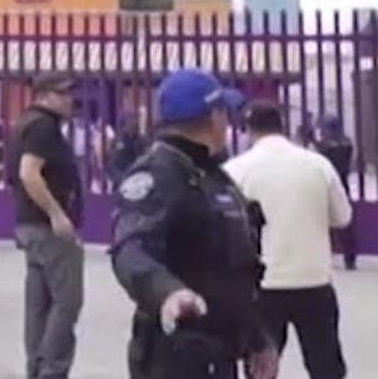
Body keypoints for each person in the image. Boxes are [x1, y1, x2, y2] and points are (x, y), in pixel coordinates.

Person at [110, 69, 278, 379]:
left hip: (220, 351)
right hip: (176, 353)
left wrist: (256, 338)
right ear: (214, 117)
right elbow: (130, 247)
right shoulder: (157, 175)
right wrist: (168, 292)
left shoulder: (213, 175)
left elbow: (234, 269)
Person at [225, 100, 350, 379]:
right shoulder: (318, 165)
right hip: (314, 279)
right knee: (325, 365)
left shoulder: (236, 169)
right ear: (283, 126)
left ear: (248, 130)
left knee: (262, 367)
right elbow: (342, 217)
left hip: (264, 284)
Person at [7, 75, 84, 379]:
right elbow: (29, 173)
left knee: (39, 303)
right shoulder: (43, 127)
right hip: (46, 227)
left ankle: (36, 367)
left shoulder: (28, 122)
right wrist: (57, 213)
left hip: (31, 225)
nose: (70, 100)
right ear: (43, 95)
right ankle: (51, 370)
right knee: (67, 301)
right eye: (63, 93)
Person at [316, 115, 358, 270]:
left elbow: (324, 158)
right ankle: (350, 257)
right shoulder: (346, 142)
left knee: (324, 221)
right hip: (342, 184)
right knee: (344, 221)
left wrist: (314, 141)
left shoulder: (328, 145)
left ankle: (327, 254)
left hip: (328, 183)